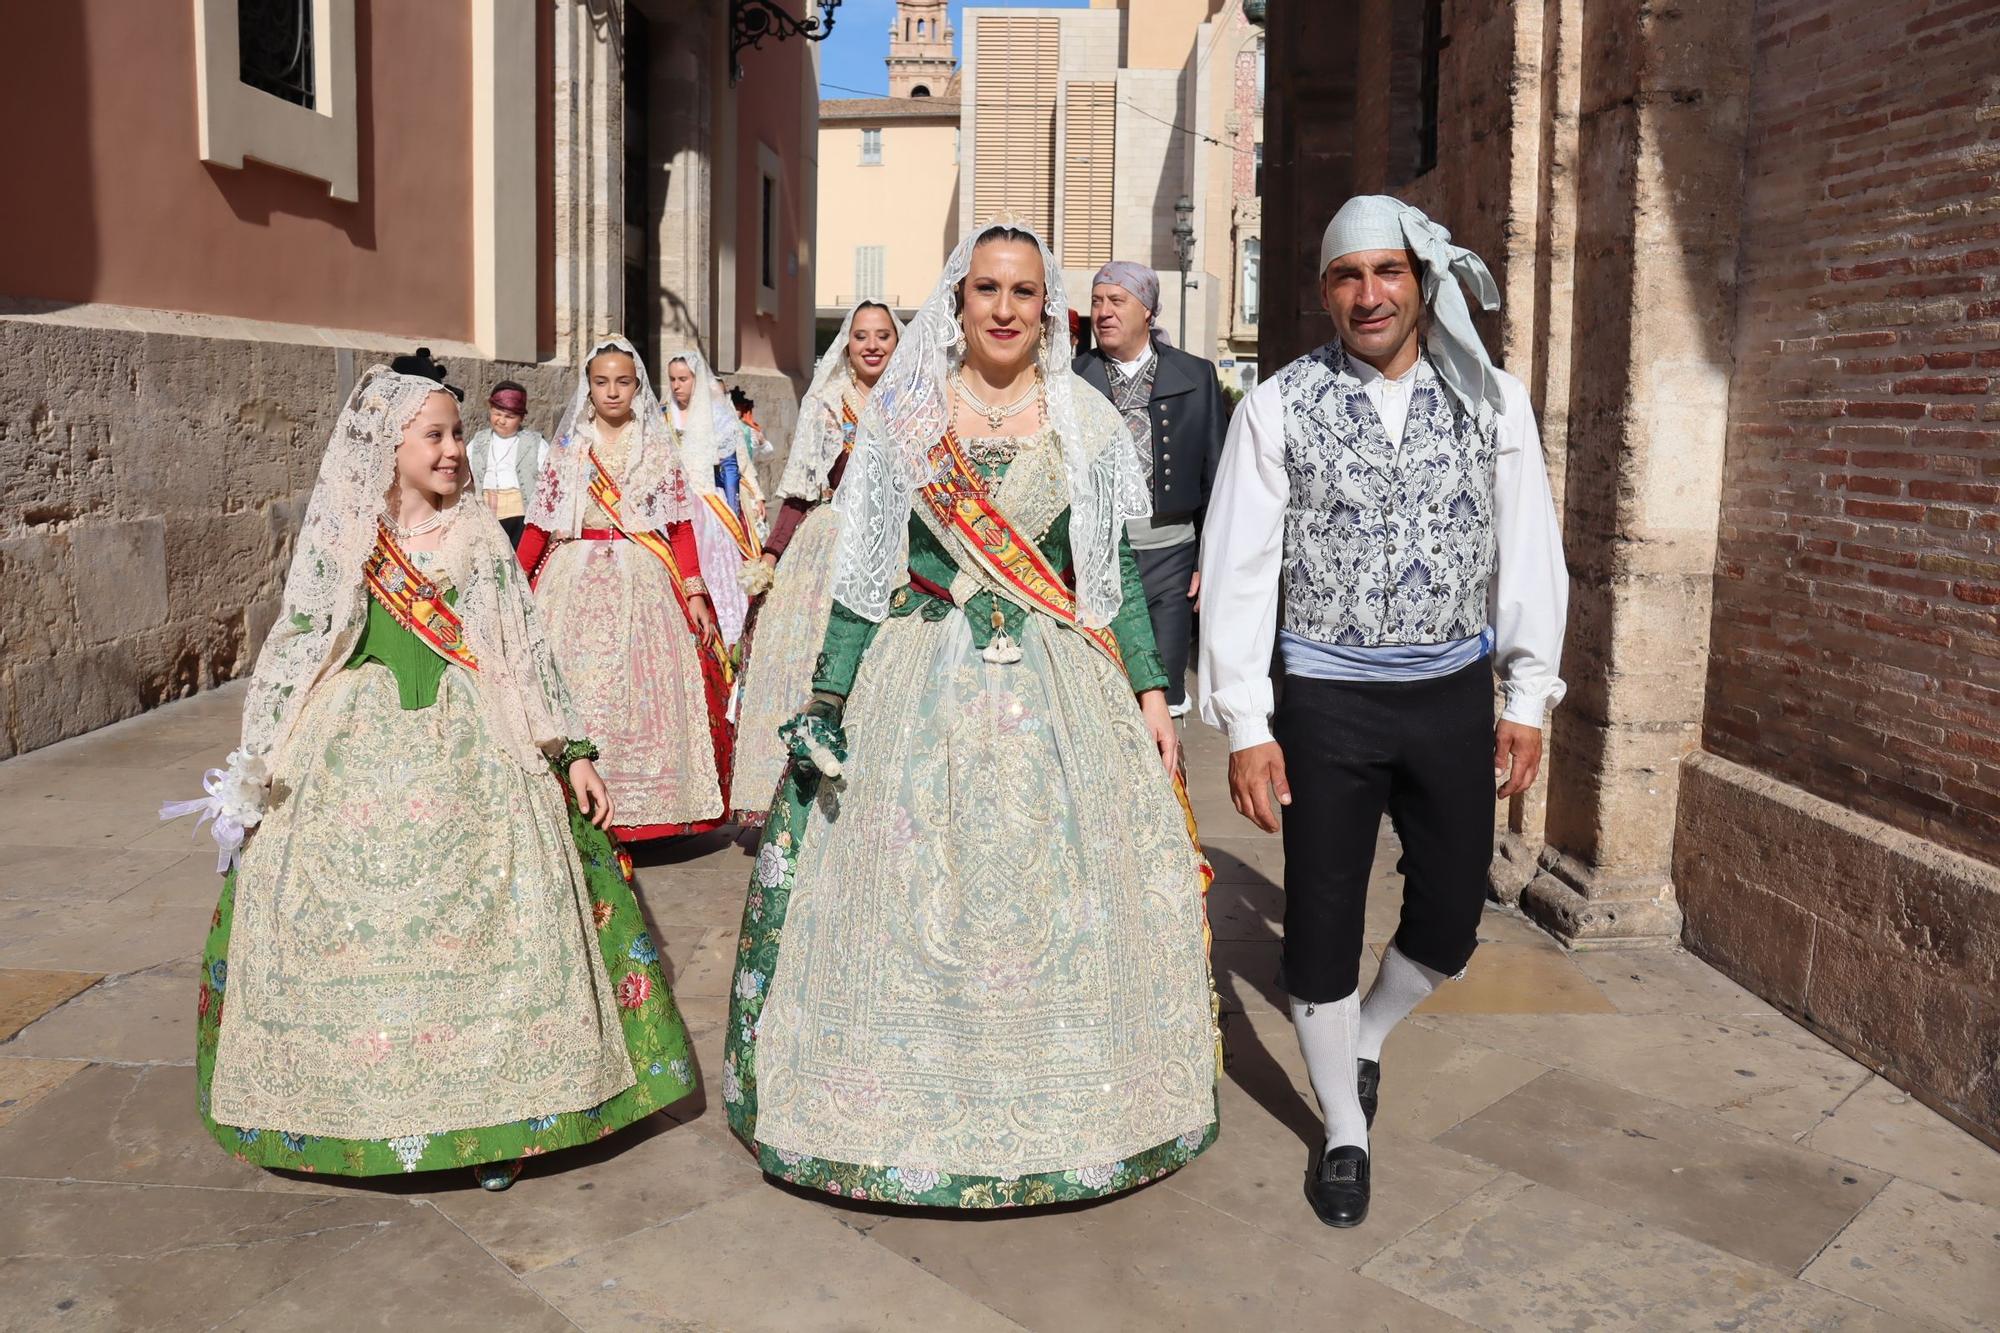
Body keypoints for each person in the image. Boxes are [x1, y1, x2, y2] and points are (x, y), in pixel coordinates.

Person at [722, 223, 1220, 1209]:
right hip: (924, 673)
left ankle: (1077, 1110)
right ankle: (885, 1111)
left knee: (1059, 897)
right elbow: (863, 584)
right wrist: (827, 695)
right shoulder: (905, 419)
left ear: (1049, 309)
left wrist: (1151, 694)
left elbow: (1109, 574)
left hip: (1053, 683)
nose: (1002, 308)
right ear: (956, 304)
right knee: (906, 893)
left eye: (1023, 291)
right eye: (985, 289)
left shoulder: (1082, 418)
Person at [162, 351, 694, 1189]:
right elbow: (301, 641)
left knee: (494, 917)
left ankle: (496, 1116)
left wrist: (573, 750)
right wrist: (259, 757)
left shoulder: (478, 533)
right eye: (437, 435)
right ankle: (354, 1102)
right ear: (390, 444)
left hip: (474, 737)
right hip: (356, 739)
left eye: (456, 434)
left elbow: (523, 646)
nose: (454, 450)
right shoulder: (350, 534)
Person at [1198, 196, 1568, 1228]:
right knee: (1318, 917)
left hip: (1451, 693)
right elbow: (1238, 569)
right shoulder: (1277, 405)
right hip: (1324, 701)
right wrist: (1246, 720)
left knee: (1450, 918)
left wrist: (1525, 693)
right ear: (1323, 291)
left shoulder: (1492, 399)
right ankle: (1342, 1130)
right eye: (1346, 276)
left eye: (1387, 273)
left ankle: (1364, 1036)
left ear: (1420, 281)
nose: (1368, 294)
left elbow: (1525, 549)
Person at [518, 337, 732, 841]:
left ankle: (644, 811)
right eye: (601, 382)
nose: (612, 391)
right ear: (587, 387)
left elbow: (679, 526)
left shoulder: (655, 446)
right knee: (574, 682)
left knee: (642, 689)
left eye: (622, 381)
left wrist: (696, 591)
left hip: (643, 577)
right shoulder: (569, 447)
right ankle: (574, 795)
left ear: (637, 387)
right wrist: (514, 582)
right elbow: (539, 526)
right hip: (572, 577)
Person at [728, 301, 903, 822]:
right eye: (861, 335)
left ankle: (876, 797)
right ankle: (799, 796)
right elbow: (801, 494)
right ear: (847, 344)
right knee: (809, 663)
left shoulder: (918, 404)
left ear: (898, 343)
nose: (872, 345)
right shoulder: (826, 404)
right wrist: (771, 556)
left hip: (896, 542)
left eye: (883, 336)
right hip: (830, 545)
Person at [1072, 263, 1227, 717]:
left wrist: (1208, 561)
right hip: (1096, 556)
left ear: (1148, 310)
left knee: (1166, 686)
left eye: (1116, 301)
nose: (1103, 312)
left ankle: (1168, 786)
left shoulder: (1196, 375)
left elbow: (1215, 475)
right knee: (1102, 687)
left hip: (1172, 556)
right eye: (1097, 302)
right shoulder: (1073, 378)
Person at [663, 350, 766, 651]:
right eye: (672, 379)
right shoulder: (664, 415)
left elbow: (731, 467)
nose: (677, 385)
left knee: (715, 567)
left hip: (710, 506)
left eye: (683, 379)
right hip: (676, 504)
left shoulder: (717, 416)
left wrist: (734, 512)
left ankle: (728, 635)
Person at [467, 380, 549, 546]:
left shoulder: (535, 443)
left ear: (521, 418)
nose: (502, 421)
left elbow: (548, 480)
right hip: (486, 517)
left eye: (509, 417)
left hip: (520, 518)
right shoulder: (478, 441)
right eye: (497, 414)